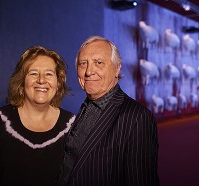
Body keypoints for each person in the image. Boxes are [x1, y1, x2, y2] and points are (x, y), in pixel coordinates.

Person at [57, 36, 159, 186]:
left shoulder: (137, 117)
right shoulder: (86, 107)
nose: (89, 72)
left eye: (98, 63)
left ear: (117, 68)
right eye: (83, 63)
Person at [0, 46, 75, 186]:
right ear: (21, 81)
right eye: (33, 73)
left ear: (58, 82)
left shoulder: (73, 125)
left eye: (49, 74)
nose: (41, 80)